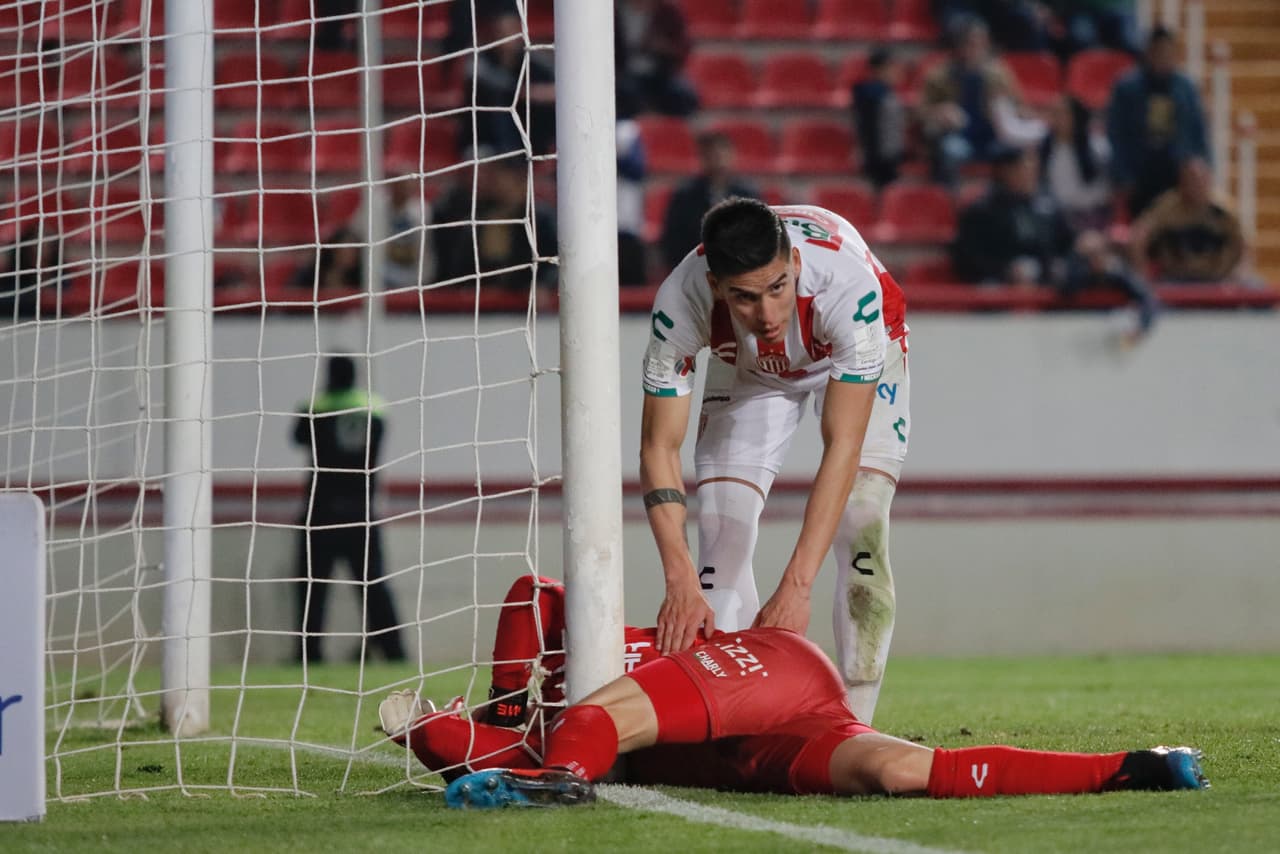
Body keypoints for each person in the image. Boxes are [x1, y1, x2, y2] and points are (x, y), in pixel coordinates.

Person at [375, 578, 1209, 805]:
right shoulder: (526, 753)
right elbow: (451, 745)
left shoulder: (567, 674)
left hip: (762, 671)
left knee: (594, 716)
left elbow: (533, 589)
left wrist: (511, 692)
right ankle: (1134, 766)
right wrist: (420, 729)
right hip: (749, 747)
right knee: (901, 775)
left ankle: (566, 790)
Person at [643, 197, 910, 724]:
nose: (766, 315)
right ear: (716, 285)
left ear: (795, 265)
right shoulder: (681, 299)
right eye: (744, 297)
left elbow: (842, 446)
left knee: (862, 522)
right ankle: (737, 728)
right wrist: (678, 579)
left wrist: (797, 587)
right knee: (718, 549)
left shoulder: (849, 288)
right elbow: (658, 447)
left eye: (777, 288)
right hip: (747, 374)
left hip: (848, 351)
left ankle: (853, 723)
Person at [955, 144, 1158, 332]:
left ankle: (1141, 314)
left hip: (1053, 283)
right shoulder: (981, 211)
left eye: (1034, 165)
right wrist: (1006, 270)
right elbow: (967, 261)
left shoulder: (1047, 204)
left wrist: (1084, 243)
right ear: (1006, 171)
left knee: (1101, 268)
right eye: (1025, 166)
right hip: (1003, 295)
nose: (1033, 171)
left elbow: (1068, 241)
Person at [292, 355, 405, 663]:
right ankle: (394, 651)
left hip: (321, 510)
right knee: (374, 586)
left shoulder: (315, 406)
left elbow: (298, 437)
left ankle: (308, 652)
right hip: (362, 510)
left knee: (313, 587)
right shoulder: (375, 407)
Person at [920, 15, 1044, 186]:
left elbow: (1019, 105)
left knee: (1022, 151)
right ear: (959, 45)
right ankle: (949, 200)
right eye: (971, 43)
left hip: (993, 135)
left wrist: (1023, 114)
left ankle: (1016, 199)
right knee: (950, 151)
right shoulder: (939, 76)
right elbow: (921, 111)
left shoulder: (999, 74)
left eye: (981, 42)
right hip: (959, 135)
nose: (977, 48)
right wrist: (940, 111)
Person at [1106, 26, 1209, 219]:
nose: (1163, 58)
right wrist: (1123, 176)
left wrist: (1203, 168)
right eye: (1159, 52)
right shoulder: (1127, 88)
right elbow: (1116, 133)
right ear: (1149, 53)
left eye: (1168, 53)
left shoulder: (1186, 88)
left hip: (1178, 174)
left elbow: (1199, 131)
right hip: (1141, 175)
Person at [1129, 157, 1245, 284]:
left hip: (1216, 280)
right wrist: (1142, 275)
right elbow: (1139, 236)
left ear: (1209, 181)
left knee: (1256, 288)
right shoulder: (1167, 207)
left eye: (1201, 181)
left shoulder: (1224, 209)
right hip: (1175, 280)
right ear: (1182, 182)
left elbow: (1242, 247)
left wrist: (1236, 274)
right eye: (1192, 180)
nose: (1197, 186)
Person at [658, 131, 758, 272]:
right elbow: (673, 240)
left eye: (723, 154)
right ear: (703, 158)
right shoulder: (684, 196)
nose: (719, 160)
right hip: (694, 270)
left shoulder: (748, 195)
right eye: (713, 155)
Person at [851, 48, 907, 189]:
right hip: (877, 155)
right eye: (892, 67)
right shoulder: (870, 94)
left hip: (891, 154)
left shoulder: (888, 93)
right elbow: (868, 127)